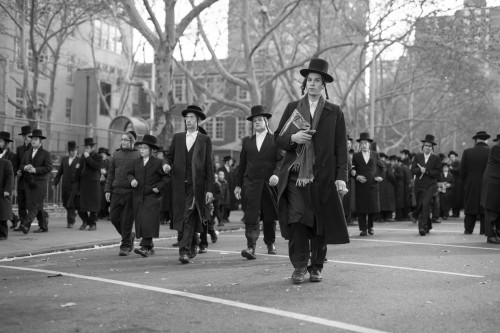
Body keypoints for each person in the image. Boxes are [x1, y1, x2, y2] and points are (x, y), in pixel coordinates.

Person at [274, 58, 349, 284]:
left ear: (324, 84)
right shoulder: (292, 108)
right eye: (310, 80)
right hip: (296, 177)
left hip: (323, 178)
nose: (313, 84)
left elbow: (341, 149)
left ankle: (316, 266)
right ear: (305, 83)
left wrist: (341, 178)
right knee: (297, 220)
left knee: (319, 223)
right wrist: (293, 138)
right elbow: (278, 139)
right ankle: (299, 266)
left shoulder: (334, 112)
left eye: (317, 80)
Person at [163, 105, 214, 264]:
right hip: (178, 185)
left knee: (187, 216)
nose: (188, 120)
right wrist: (165, 165)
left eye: (192, 117)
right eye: (187, 117)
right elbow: (168, 157)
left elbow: (209, 166)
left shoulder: (204, 140)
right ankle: (194, 243)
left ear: (198, 120)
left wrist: (209, 190)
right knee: (184, 217)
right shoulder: (178, 138)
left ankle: (183, 251)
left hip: (196, 186)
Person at [235, 105, 281, 260]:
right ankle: (251, 247)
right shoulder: (247, 141)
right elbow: (242, 165)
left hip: (269, 184)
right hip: (251, 184)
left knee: (269, 216)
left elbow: (281, 162)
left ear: (266, 121)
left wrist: (276, 175)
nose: (257, 122)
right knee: (251, 216)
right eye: (254, 120)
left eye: (260, 119)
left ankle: (270, 243)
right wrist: (237, 185)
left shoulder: (275, 139)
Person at [128, 134, 168, 257]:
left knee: (147, 221)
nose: (141, 150)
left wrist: (158, 188)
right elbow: (129, 174)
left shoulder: (157, 162)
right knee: (141, 222)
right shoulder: (136, 162)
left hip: (152, 197)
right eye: (141, 147)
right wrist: (132, 180)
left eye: (144, 148)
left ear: (151, 150)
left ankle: (145, 247)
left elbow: (166, 178)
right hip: (138, 196)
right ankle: (149, 246)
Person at [105, 131, 141, 256]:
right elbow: (110, 174)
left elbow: (140, 175)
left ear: (132, 142)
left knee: (127, 220)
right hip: (116, 192)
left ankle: (125, 245)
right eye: (122, 139)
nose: (123, 142)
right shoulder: (116, 155)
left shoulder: (137, 155)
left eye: (126, 140)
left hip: (130, 193)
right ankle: (129, 236)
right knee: (114, 218)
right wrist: (108, 190)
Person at [18, 129, 53, 234]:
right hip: (29, 182)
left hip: (40, 183)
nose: (33, 141)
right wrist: (25, 167)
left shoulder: (46, 153)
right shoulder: (27, 152)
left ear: (40, 141)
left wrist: (35, 170)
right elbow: (21, 164)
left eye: (36, 139)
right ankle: (44, 226)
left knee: (34, 204)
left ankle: (26, 224)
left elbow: (49, 167)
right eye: (32, 139)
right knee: (37, 205)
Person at [351, 133, 384, 236]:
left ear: (369, 144)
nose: (364, 145)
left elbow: (382, 167)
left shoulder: (375, 155)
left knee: (372, 208)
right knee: (361, 208)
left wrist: (380, 177)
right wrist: (356, 177)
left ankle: (370, 227)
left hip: (373, 185)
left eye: (366, 143)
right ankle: (363, 229)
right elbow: (352, 169)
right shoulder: (356, 156)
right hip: (361, 186)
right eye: (362, 143)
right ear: (360, 145)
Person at [410, 134, 442, 236]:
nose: (427, 148)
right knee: (422, 205)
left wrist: (427, 171)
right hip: (419, 185)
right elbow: (413, 170)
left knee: (425, 205)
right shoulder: (418, 157)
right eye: (426, 146)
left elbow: (438, 173)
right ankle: (427, 225)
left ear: (432, 148)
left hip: (430, 186)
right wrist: (420, 170)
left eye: (429, 146)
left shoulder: (436, 158)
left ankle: (422, 228)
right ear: (423, 147)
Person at [460, 131, 490, 235]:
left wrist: (466, 182)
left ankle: (468, 229)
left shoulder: (467, 152)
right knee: (484, 209)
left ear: (476, 140)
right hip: (486, 184)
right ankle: (484, 230)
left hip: (471, 184)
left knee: (470, 208)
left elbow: (462, 171)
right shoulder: (490, 151)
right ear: (486, 140)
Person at [52, 141, 81, 228]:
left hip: (75, 185)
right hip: (65, 185)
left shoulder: (79, 160)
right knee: (65, 203)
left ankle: (70, 221)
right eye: (72, 150)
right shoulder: (64, 159)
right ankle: (74, 212)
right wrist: (54, 183)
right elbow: (60, 172)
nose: (74, 152)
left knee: (70, 203)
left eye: (75, 150)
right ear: (69, 151)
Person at [78, 138, 102, 231]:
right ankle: (85, 221)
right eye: (85, 147)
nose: (86, 149)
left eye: (88, 147)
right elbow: (80, 168)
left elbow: (96, 167)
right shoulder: (83, 156)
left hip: (93, 183)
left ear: (92, 147)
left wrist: (88, 158)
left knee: (93, 205)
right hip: (84, 183)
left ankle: (93, 224)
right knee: (81, 205)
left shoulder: (97, 156)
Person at [481, 134, 500, 244]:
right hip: (493, 183)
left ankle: (496, 233)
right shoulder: (496, 148)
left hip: (497, 183)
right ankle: (491, 235)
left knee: (497, 209)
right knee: (491, 209)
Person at [0, 131, 19, 229]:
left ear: (6, 143)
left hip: (7, 183)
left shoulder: (12, 156)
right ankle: (14, 218)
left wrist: (11, 188)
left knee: (4, 206)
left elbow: (13, 173)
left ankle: (13, 219)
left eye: (1, 141)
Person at [0, 150, 14, 240]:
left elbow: (10, 176)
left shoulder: (6, 163)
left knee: (2, 215)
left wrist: (7, 190)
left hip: (2, 192)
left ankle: (3, 234)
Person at [378, 152, 396, 222]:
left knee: (380, 202)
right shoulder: (388, 165)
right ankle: (388, 217)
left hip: (379, 185)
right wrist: (394, 183)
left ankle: (380, 217)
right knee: (388, 202)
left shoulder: (376, 165)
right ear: (385, 158)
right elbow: (391, 175)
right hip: (388, 186)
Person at [217, 156, 235, 222]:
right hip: (223, 188)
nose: (231, 162)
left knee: (229, 204)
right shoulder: (221, 169)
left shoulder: (232, 169)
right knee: (223, 204)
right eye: (230, 161)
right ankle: (223, 217)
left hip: (231, 189)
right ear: (227, 161)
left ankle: (227, 216)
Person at [98, 147, 111, 220]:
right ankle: (100, 213)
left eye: (104, 154)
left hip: (106, 183)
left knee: (105, 199)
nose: (102, 155)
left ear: (106, 155)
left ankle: (105, 212)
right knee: (100, 198)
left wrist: (105, 173)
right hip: (99, 183)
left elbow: (111, 173)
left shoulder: (109, 163)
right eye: (101, 154)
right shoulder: (98, 162)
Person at [448, 151, 461, 217]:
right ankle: (454, 212)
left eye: (452, 157)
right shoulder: (451, 163)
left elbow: (459, 170)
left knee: (456, 197)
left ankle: (456, 212)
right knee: (453, 198)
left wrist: (452, 168)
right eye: (450, 157)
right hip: (453, 182)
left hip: (457, 182)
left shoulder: (458, 162)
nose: (451, 158)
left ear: (456, 157)